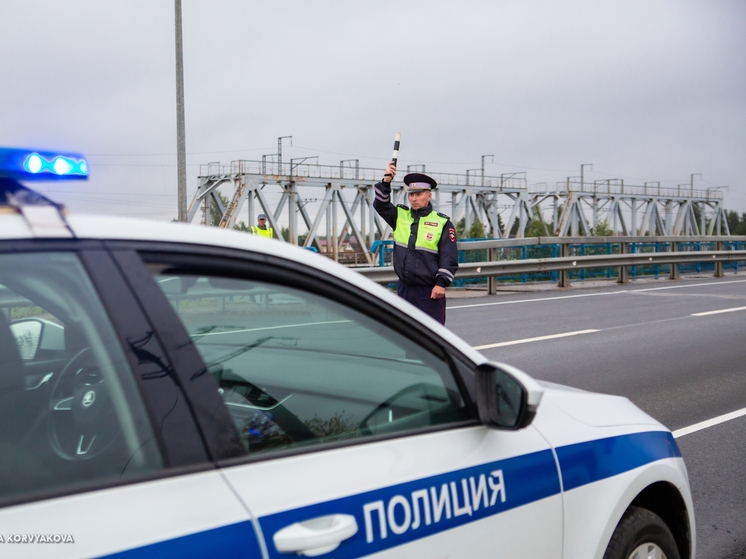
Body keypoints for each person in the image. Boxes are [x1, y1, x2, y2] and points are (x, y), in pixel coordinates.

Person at [373, 162, 458, 325]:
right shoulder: (400, 215)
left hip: (430, 292)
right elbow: (380, 204)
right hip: (405, 289)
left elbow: (449, 257)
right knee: (408, 336)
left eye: (418, 194)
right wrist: (386, 181)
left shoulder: (442, 223)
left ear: (429, 195)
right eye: (411, 194)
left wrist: (441, 284)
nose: (414, 198)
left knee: (433, 337)